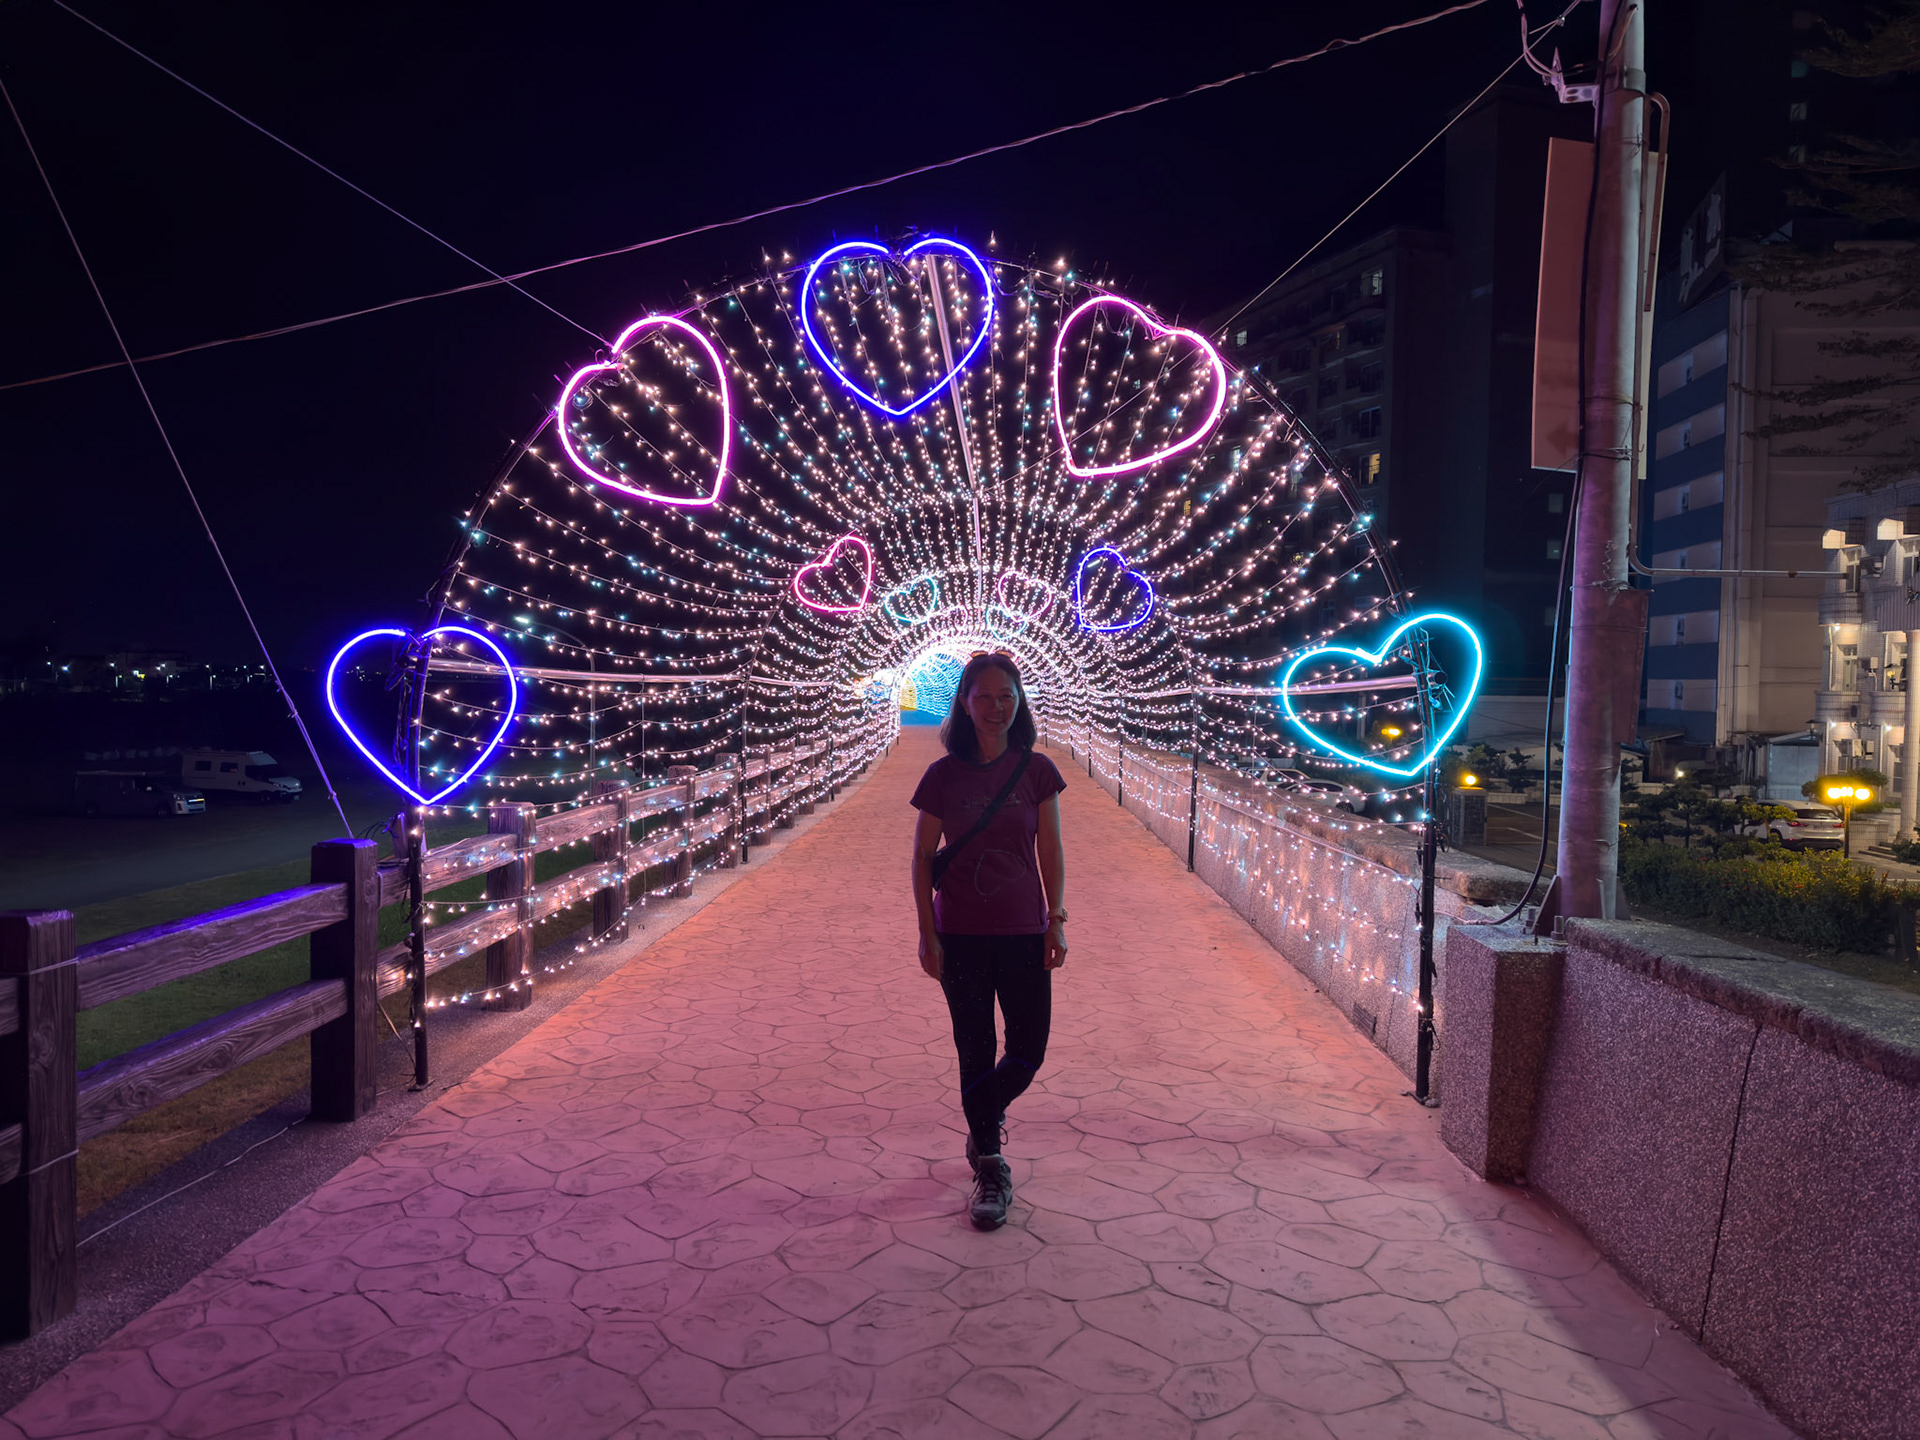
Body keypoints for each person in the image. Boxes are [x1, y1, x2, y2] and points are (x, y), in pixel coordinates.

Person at [909, 651, 1068, 1230]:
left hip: (1025, 929)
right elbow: (922, 857)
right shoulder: (943, 776)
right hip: (961, 935)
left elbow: (1050, 849)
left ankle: (982, 1118)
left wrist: (1056, 919)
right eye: (984, 697)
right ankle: (991, 1167)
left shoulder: (1037, 771)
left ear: (1020, 701)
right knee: (974, 1047)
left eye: (1007, 696)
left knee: (1028, 1050)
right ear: (964, 703)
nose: (997, 707)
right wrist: (926, 933)